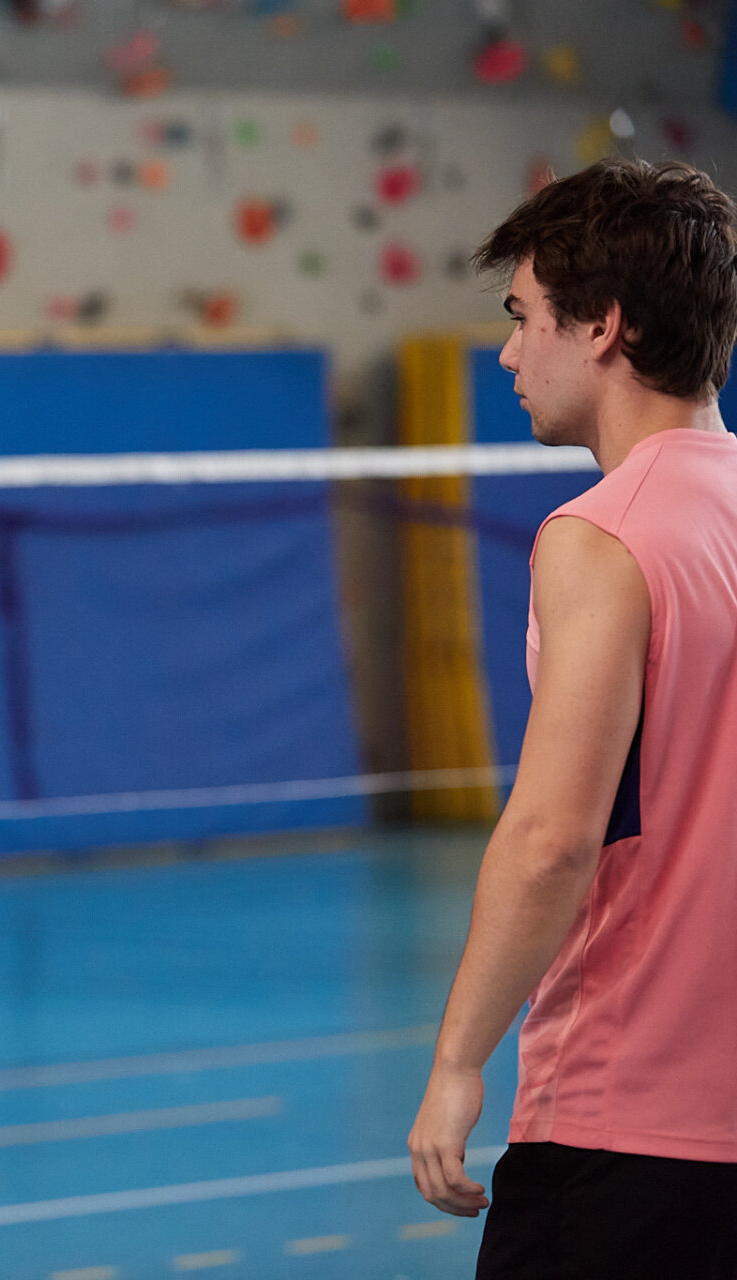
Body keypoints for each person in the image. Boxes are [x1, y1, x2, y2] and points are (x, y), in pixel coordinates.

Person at [409, 158, 737, 1277]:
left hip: (625, 1123)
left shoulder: (600, 537)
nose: (507, 354)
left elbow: (554, 836)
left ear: (603, 325)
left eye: (522, 317)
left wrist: (460, 1059)